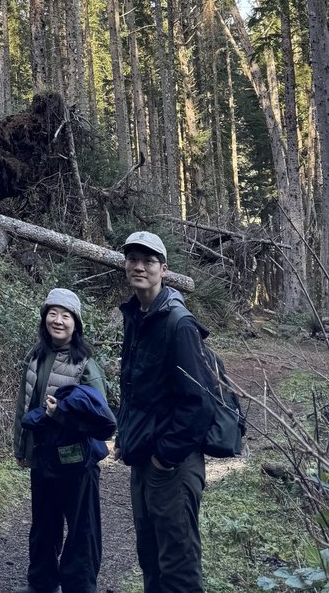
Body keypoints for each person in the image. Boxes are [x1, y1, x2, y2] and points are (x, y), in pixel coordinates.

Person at [116, 230, 216, 593]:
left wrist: (165, 457)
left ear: (163, 268)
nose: (139, 266)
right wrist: (126, 436)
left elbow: (199, 402)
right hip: (143, 456)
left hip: (172, 463)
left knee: (178, 563)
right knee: (150, 556)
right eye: (132, 259)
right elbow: (135, 389)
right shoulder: (137, 315)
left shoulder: (178, 322)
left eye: (148, 261)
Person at [12, 288, 115, 593]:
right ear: (44, 318)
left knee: (82, 530)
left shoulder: (85, 364)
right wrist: (21, 448)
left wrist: (61, 414)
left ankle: (79, 587)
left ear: (76, 323)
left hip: (77, 461)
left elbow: (103, 422)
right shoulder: (36, 356)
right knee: (44, 524)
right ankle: (42, 584)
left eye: (65, 316)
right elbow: (24, 406)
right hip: (43, 456)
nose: (58, 321)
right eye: (52, 314)